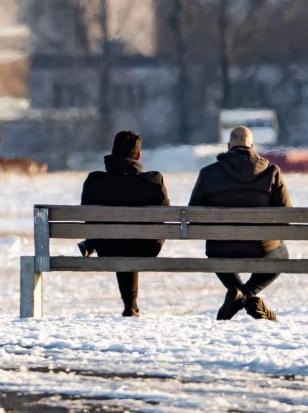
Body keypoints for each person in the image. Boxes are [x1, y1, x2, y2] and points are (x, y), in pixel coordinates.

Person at [189, 126, 292, 322]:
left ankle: (239, 296)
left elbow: (194, 215)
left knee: (213, 249)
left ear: (229, 146)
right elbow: (286, 215)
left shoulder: (208, 174)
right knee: (282, 253)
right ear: (252, 146)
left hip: (221, 248)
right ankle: (247, 294)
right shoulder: (271, 172)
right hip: (261, 248)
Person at [79, 131, 170, 317]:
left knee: (117, 239)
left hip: (107, 245)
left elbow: (86, 216)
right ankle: (131, 306)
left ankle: (92, 243)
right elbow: (164, 214)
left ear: (112, 152)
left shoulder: (94, 181)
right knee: (133, 240)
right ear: (138, 155)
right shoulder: (153, 181)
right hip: (146, 246)